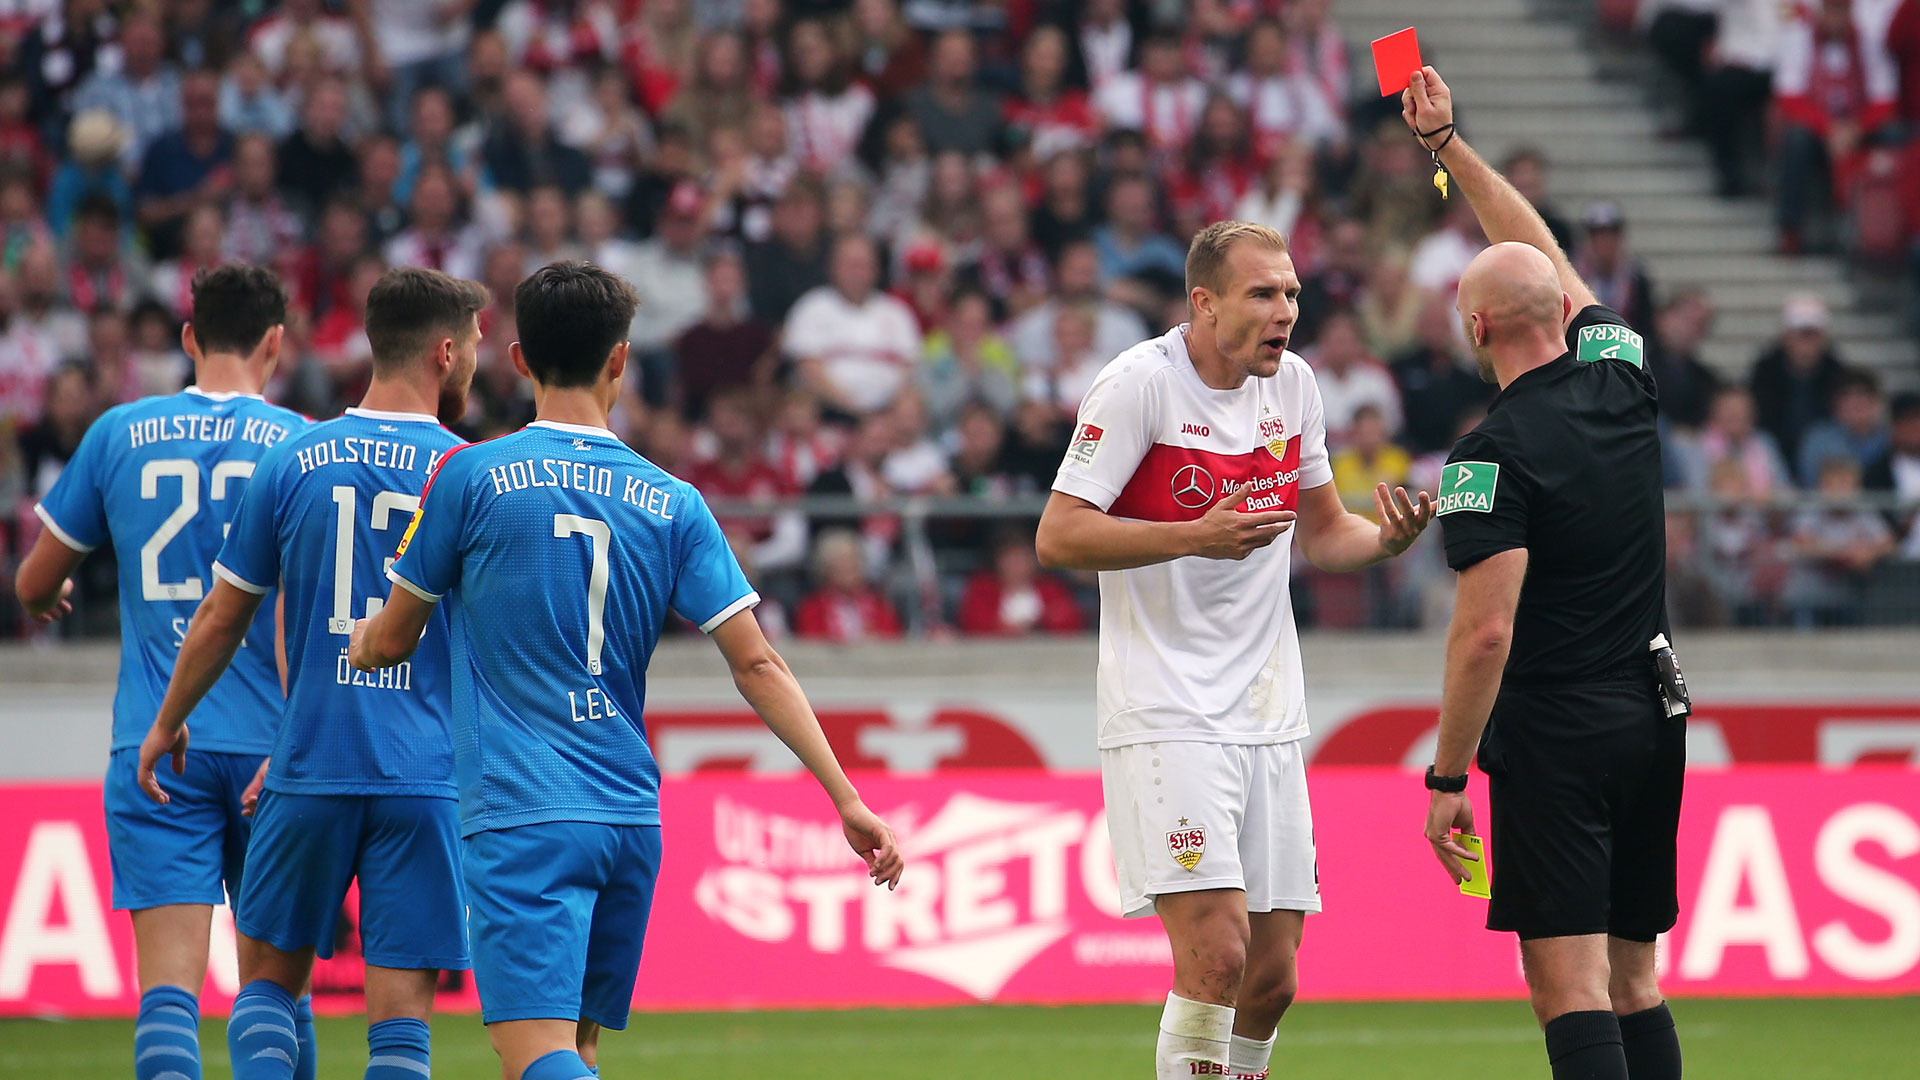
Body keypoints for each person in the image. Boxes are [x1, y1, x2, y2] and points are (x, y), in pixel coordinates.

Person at [346, 262, 901, 1080]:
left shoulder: (469, 475)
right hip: (627, 818)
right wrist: (846, 798)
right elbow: (757, 659)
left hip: (523, 809)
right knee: (574, 1054)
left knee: (535, 1057)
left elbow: (392, 641)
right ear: (620, 361)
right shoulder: (673, 499)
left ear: (520, 359)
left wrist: (360, 639)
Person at [1034, 220, 1434, 1080]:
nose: (1285, 309)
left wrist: (1388, 542)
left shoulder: (1293, 386)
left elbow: (1325, 535)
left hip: (1267, 709)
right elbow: (1059, 536)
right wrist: (1190, 537)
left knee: (1272, 978)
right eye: (1264, 294)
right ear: (1205, 303)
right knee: (1215, 955)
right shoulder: (1138, 384)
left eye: (1291, 292)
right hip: (1167, 706)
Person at [1402, 66, 1686, 1080]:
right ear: (1557, 317)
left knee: (1567, 989)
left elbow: (1486, 632)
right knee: (1634, 979)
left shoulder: (1487, 456)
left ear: (1476, 328)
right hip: (1655, 713)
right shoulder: (1623, 378)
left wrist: (1446, 775)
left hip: (1558, 731)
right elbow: (1549, 258)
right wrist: (1448, 147)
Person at [130, 268, 485, 1080]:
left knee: (267, 986)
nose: (472, 364)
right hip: (422, 777)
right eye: (468, 348)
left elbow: (226, 616)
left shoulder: (297, 457)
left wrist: (165, 721)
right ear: (442, 351)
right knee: (400, 1019)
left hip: (310, 763)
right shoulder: (471, 475)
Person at [13, 264, 308, 1080]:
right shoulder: (303, 444)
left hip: (155, 741)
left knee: (168, 998)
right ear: (275, 344)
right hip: (273, 749)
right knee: (276, 996)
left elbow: (33, 583)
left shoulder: (117, 431)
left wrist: (56, 592)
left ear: (188, 338)